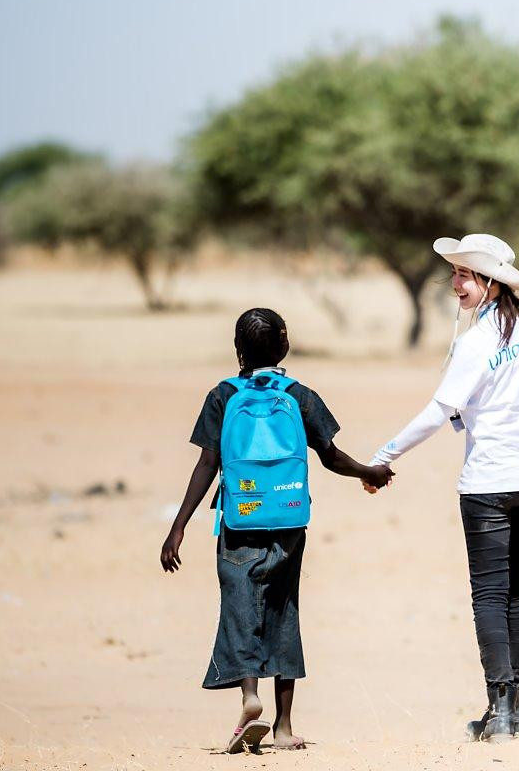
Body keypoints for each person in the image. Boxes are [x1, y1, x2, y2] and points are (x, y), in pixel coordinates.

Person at [367, 233, 519, 742]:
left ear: (491, 282)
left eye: (465, 275)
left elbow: (440, 412)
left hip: (489, 484)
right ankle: (513, 710)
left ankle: (502, 712)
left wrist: (383, 456)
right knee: (513, 593)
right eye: (454, 273)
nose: (455, 283)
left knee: (489, 595)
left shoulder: (478, 341)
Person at [161, 308, 394, 754]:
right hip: (288, 519)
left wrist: (178, 527)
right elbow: (331, 455)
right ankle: (284, 726)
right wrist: (371, 472)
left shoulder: (223, 396)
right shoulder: (298, 394)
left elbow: (207, 464)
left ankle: (249, 696)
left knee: (241, 606)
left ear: (236, 350)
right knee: (284, 608)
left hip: (238, 519)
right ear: (285, 346)